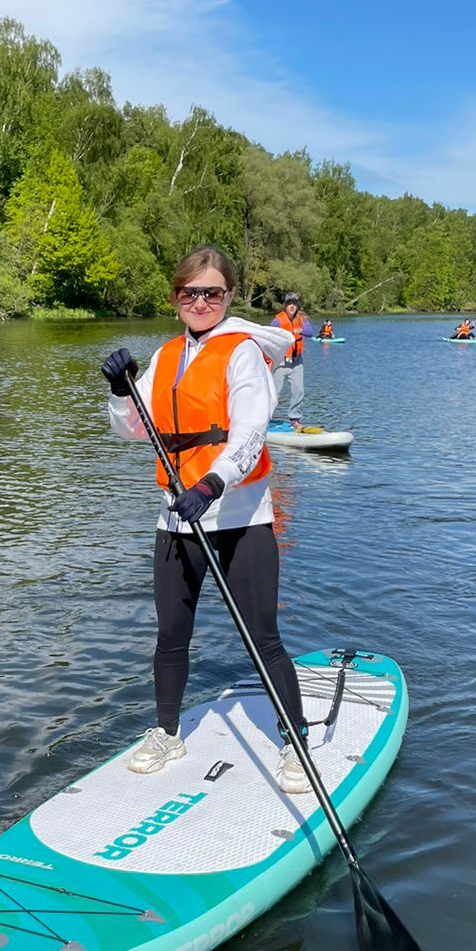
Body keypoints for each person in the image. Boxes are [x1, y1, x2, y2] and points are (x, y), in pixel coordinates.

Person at [100, 245, 309, 791]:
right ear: (175, 298)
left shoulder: (242, 353)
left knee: (263, 635)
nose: (200, 301)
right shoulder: (166, 355)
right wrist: (122, 391)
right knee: (171, 635)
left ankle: (295, 741)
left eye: (211, 293)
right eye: (190, 292)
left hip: (240, 514)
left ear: (229, 297)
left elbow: (248, 434)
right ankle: (167, 733)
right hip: (177, 517)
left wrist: (212, 483)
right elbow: (131, 428)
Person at [271, 292, 308, 426]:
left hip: (296, 363)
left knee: (299, 390)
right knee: (275, 392)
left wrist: (300, 330)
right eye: (289, 304)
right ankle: (264, 418)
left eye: (294, 304)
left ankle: (295, 419)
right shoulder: (278, 320)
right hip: (280, 362)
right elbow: (269, 335)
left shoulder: (302, 319)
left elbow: (309, 332)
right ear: (285, 306)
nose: (292, 306)